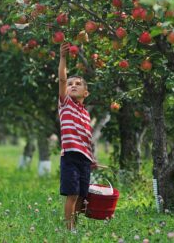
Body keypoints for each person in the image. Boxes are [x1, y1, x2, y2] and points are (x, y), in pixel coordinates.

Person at [58, 42, 96, 231]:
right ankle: (68, 229)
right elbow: (62, 80)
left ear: (86, 93)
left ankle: (75, 225)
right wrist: (63, 57)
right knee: (72, 195)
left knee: (82, 196)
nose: (73, 86)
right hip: (70, 157)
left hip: (84, 158)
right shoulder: (66, 104)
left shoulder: (86, 114)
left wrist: (92, 158)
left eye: (78, 84)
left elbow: (87, 139)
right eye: (71, 84)